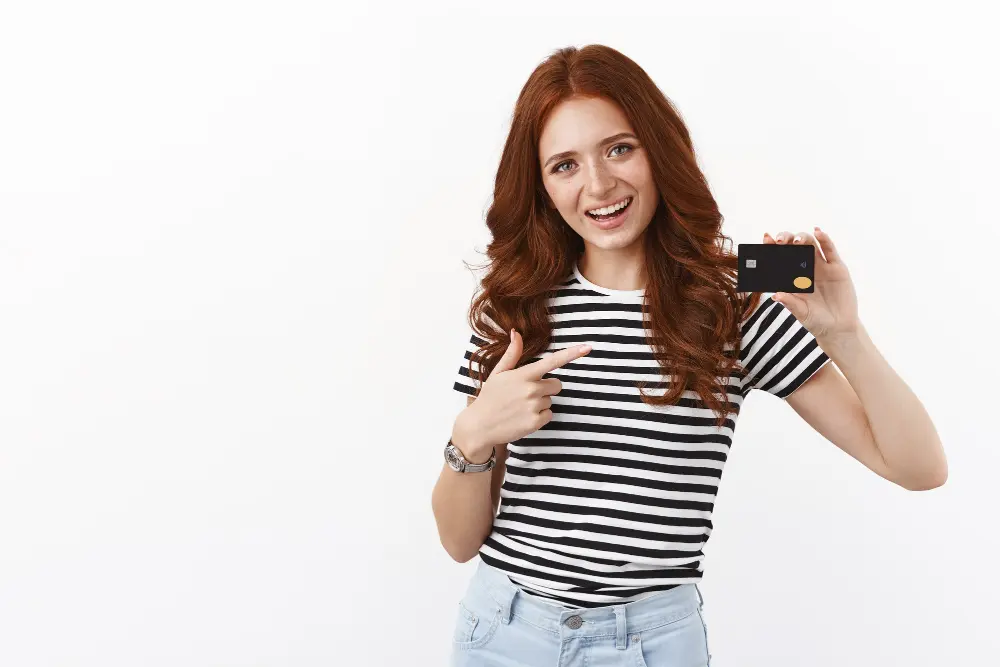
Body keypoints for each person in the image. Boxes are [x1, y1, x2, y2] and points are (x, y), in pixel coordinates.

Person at [430, 44, 947, 667]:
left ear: (658, 148)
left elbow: (920, 467)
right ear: (540, 184)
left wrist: (846, 336)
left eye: (619, 148)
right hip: (505, 634)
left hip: (651, 645)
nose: (598, 184)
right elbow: (459, 543)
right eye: (565, 164)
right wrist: (474, 432)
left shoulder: (735, 296)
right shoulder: (517, 305)